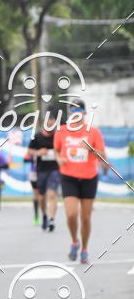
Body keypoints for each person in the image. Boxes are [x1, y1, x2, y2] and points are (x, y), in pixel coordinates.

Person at [54, 98, 108, 264]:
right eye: (72, 111)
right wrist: (59, 159)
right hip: (68, 176)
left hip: (89, 177)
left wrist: (91, 149)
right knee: (71, 214)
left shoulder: (93, 132)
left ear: (84, 113)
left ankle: (84, 248)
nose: (75, 115)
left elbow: (103, 157)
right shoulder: (61, 131)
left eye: (78, 111)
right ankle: (74, 241)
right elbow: (57, 150)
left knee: (85, 217)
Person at [26, 121, 61, 232]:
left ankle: (51, 219)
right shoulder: (37, 137)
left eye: (53, 125)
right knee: (41, 197)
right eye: (49, 125)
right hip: (41, 170)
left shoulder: (58, 136)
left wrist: (57, 153)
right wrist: (38, 152)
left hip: (55, 169)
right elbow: (29, 151)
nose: (51, 127)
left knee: (52, 194)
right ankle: (45, 215)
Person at [23, 152, 41, 225]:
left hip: (44, 172)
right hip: (34, 173)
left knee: (43, 195)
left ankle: (44, 214)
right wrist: (32, 158)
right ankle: (36, 215)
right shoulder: (32, 149)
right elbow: (25, 159)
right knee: (36, 194)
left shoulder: (45, 146)